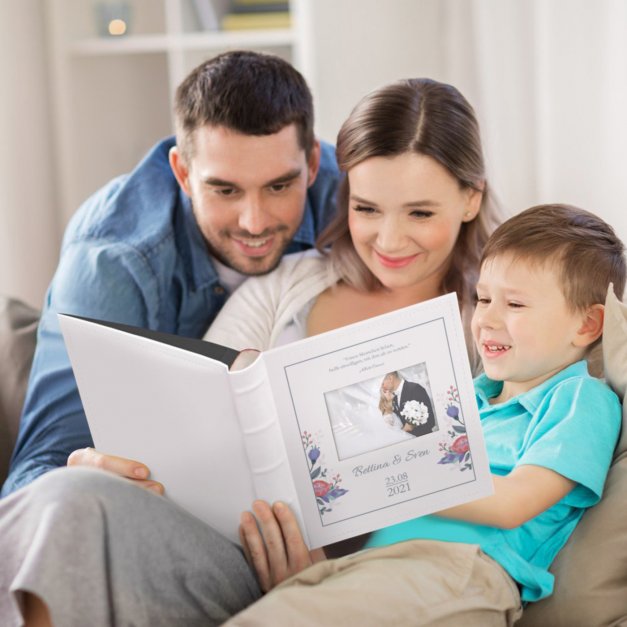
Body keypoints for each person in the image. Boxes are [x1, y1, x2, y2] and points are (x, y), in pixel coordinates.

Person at [0, 77, 500, 626]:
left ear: (470, 197)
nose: (389, 239)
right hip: (215, 547)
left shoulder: (492, 325)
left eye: (420, 214)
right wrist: (109, 464)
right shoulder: (291, 283)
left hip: (357, 581)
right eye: (367, 209)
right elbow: (189, 406)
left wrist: (320, 578)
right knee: (71, 497)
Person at [225, 204, 624, 626]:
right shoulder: (465, 394)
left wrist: (392, 473)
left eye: (516, 304)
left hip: (461, 571)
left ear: (586, 325)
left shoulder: (581, 399)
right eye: (483, 298)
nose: (486, 318)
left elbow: (513, 503)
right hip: (374, 565)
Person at [1, 50, 340, 497]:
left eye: (279, 186)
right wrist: (81, 482)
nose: (254, 221)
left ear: (312, 163)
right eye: (224, 189)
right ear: (182, 172)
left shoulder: (355, 201)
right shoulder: (113, 262)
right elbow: (31, 479)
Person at [379, 370, 436, 436]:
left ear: (390, 378)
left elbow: (431, 421)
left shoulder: (415, 388)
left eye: (382, 384)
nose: (382, 387)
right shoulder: (393, 398)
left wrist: (412, 424)